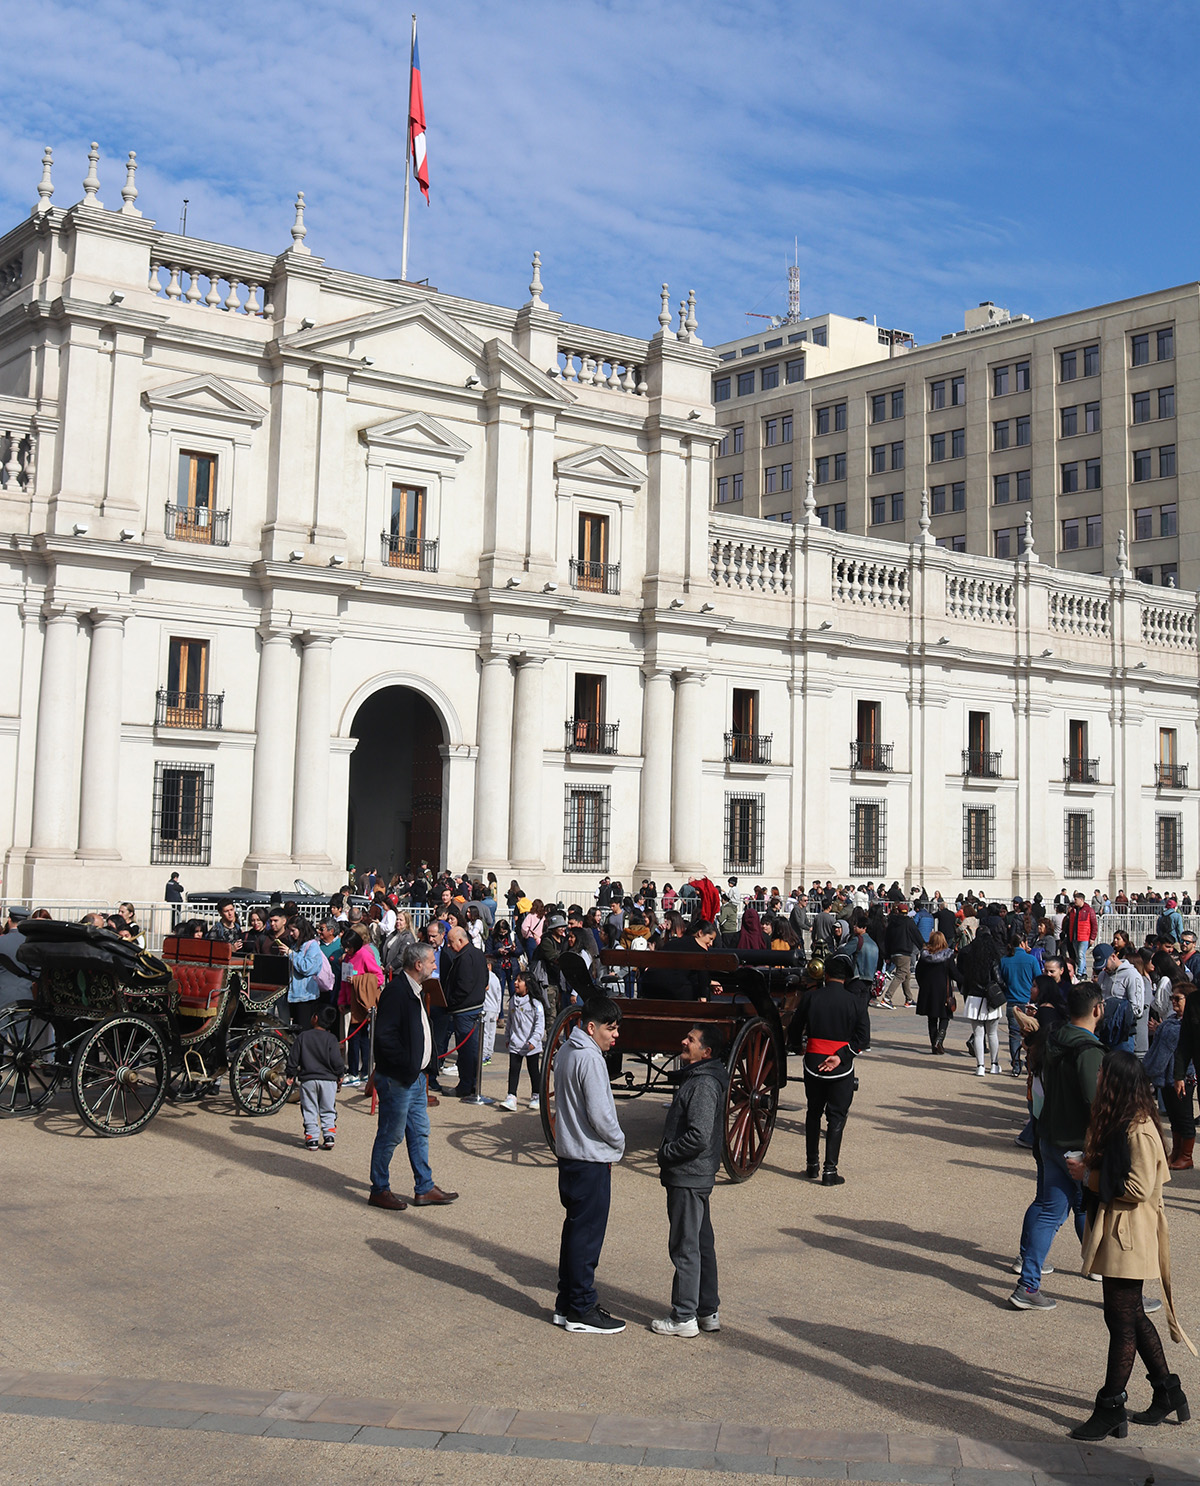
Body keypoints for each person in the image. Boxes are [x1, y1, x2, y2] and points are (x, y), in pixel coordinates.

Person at [1066, 1051, 1196, 1440]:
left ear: (1117, 1081)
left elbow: (1138, 1188)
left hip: (1130, 1235)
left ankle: (1110, 1407)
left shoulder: (1138, 1128)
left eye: (1104, 1072)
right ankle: (1167, 1391)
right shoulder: (1126, 1120)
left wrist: (1088, 1174)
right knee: (1131, 1317)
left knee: (1121, 1322)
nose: (1099, 1075)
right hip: (1124, 1231)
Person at [1010, 982, 1105, 1310]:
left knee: (1055, 1209)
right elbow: (1096, 1104)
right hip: (1077, 1144)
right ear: (1098, 1009)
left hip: (1049, 1135)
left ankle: (1029, 1282)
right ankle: (1116, 1288)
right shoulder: (1089, 1051)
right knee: (1095, 1210)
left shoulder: (1052, 1041)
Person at [552, 995, 626, 1333]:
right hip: (589, 1158)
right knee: (587, 1235)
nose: (616, 1035)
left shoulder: (567, 1051)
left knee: (574, 1230)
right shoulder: (591, 1060)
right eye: (611, 1029)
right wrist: (619, 1141)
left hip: (569, 1156)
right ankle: (581, 1307)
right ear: (592, 1027)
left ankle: (567, 1302)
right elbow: (601, 1115)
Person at [368, 941, 458, 1210]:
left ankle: (424, 1186)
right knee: (391, 1134)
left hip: (416, 1079)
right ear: (418, 965)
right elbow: (385, 1038)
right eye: (431, 961)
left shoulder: (415, 989)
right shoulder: (397, 991)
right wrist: (406, 1066)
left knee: (419, 1132)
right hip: (399, 1079)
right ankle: (379, 1188)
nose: (434, 964)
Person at [652, 1023, 728, 1338]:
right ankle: (707, 1310)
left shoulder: (704, 1084)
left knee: (685, 1246)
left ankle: (684, 1316)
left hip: (688, 1174)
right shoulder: (703, 1078)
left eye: (692, 1040)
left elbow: (698, 1135)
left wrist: (668, 1153)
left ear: (706, 1052)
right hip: (696, 1174)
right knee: (701, 1243)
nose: (684, 1041)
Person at [790, 953, 870, 1186]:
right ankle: (829, 1171)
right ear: (845, 978)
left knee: (813, 1112)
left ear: (825, 975)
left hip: (813, 1059)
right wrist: (841, 1056)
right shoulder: (855, 1001)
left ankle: (811, 1165)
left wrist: (798, 1046)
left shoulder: (811, 997)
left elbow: (795, 1029)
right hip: (841, 1064)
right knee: (836, 1117)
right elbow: (863, 1038)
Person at [1145, 985, 1195, 1170]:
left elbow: (1160, 1055)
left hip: (1182, 1078)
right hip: (1167, 1079)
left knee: (1184, 1116)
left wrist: (1147, 1072)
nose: (1173, 1001)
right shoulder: (1170, 1022)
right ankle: (1177, 1151)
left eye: (1178, 999)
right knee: (1174, 1116)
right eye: (1172, 998)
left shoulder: (1184, 1026)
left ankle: (1186, 1155)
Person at [285, 1004, 344, 1150]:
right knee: (328, 1108)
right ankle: (329, 1135)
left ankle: (312, 1137)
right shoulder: (331, 1039)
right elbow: (337, 1060)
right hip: (328, 1080)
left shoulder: (303, 1036)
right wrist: (340, 1074)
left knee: (309, 1108)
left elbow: (293, 1057)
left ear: (315, 1018)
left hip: (308, 1079)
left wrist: (290, 1073)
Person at [442, 924, 488, 1097]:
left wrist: (449, 1002)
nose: (449, 946)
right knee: (472, 1049)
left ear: (461, 940)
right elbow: (484, 978)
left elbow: (463, 986)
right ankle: (472, 1084)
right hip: (474, 1006)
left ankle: (466, 1085)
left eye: (451, 942)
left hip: (465, 1009)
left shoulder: (465, 957)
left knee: (467, 1051)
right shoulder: (477, 953)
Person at [959, 923, 1003, 1075]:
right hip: (990, 996)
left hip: (974, 996)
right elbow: (998, 977)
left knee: (978, 1034)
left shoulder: (968, 954)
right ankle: (994, 1064)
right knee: (992, 1033)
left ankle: (980, 1066)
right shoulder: (993, 956)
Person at [500, 970, 544, 1112]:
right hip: (516, 1043)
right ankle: (511, 1096)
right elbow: (510, 1022)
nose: (516, 983)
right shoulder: (513, 1000)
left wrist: (534, 1040)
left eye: (520, 980)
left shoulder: (536, 1004)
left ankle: (536, 1095)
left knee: (533, 1070)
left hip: (531, 1045)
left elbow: (539, 1025)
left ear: (528, 984)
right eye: (516, 980)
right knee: (513, 1070)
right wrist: (507, 1037)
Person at [998, 935, 1039, 1075]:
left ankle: (1016, 1064)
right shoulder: (1031, 960)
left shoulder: (1004, 960)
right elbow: (1038, 978)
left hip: (1012, 1001)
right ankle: (1031, 1063)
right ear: (1023, 943)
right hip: (1028, 1001)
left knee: (1014, 1034)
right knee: (1032, 1034)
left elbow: (1001, 979)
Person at [914, 931, 958, 1054]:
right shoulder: (948, 956)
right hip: (943, 989)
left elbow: (918, 973)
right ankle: (939, 1039)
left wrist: (922, 984)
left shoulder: (924, 956)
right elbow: (954, 973)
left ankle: (934, 1044)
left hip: (928, 990)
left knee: (931, 1018)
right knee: (945, 1016)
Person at [881, 903, 925, 1009]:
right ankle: (887, 998)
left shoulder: (891, 923)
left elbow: (887, 939)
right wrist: (923, 947)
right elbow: (916, 935)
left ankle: (909, 999)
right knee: (901, 974)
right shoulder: (908, 922)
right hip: (904, 952)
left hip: (893, 953)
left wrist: (887, 955)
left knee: (907, 974)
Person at [284, 919, 325, 1027]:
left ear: (301, 930)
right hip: (293, 995)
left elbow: (307, 968)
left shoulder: (312, 945)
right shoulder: (295, 945)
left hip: (306, 996)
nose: (291, 934)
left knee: (304, 1029)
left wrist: (291, 954)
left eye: (293, 930)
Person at [1066, 891, 1099, 981]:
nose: (1075, 901)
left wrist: (1092, 937)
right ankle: (1083, 972)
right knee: (1078, 955)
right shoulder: (1073, 910)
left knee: (1081, 954)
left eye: (1076, 899)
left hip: (1084, 937)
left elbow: (1094, 925)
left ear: (1081, 900)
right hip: (1075, 936)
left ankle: (1079, 972)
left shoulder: (1089, 910)